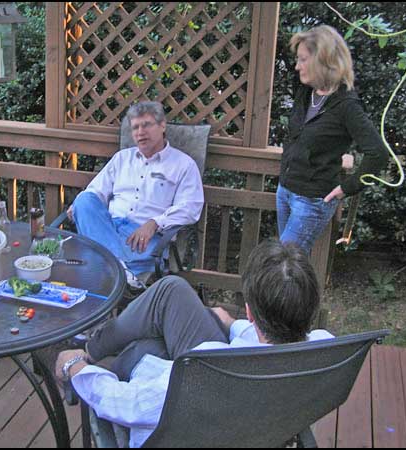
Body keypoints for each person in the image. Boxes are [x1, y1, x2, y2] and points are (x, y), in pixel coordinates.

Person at [55, 240, 333, 447]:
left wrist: (74, 366)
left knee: (145, 349)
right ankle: (115, 352)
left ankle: (90, 353)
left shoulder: (205, 367)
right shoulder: (327, 351)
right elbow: (271, 342)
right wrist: (230, 324)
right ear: (309, 311)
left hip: (194, 430)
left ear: (249, 311)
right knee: (168, 302)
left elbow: (127, 404)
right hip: (253, 424)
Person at [67, 101, 204, 288]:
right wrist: (80, 208)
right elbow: (95, 191)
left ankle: (109, 265)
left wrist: (155, 223)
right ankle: (119, 268)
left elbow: (191, 208)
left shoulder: (183, 165)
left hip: (143, 241)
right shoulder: (122, 158)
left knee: (89, 264)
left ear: (162, 125)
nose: (140, 132)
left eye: (146, 125)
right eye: (135, 127)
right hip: (108, 228)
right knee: (83, 200)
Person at [278, 25, 388, 254]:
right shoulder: (306, 93)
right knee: (290, 269)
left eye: (303, 59)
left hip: (311, 200)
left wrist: (347, 187)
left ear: (324, 59)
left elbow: (378, 153)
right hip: (285, 191)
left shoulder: (347, 105)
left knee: (284, 265)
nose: (297, 66)